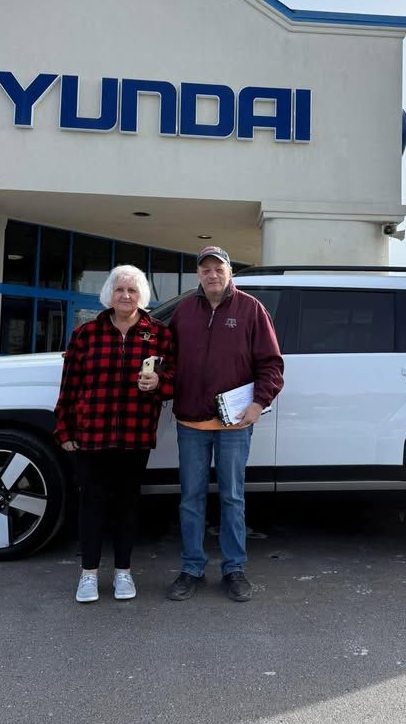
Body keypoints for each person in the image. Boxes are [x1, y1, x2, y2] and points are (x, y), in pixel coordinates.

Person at [166, 246, 283, 602]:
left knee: (232, 498)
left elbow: (271, 364)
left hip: (234, 425)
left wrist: (259, 402)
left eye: (218, 268)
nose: (212, 274)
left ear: (230, 272)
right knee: (190, 499)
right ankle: (191, 568)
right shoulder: (184, 311)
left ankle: (234, 569)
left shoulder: (251, 310)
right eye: (205, 269)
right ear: (198, 275)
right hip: (191, 422)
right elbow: (166, 360)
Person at [54, 264, 174, 603]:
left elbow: (173, 380)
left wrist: (159, 383)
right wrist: (64, 427)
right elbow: (70, 385)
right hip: (91, 434)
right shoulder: (86, 333)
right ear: (110, 293)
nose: (125, 296)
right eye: (120, 290)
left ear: (141, 296)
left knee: (126, 506)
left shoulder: (159, 334)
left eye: (132, 291)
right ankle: (88, 575)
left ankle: (123, 572)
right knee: (91, 505)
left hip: (135, 435)